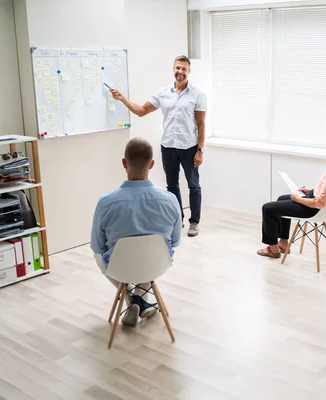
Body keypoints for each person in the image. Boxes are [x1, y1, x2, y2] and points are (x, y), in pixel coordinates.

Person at [110, 55, 207, 237]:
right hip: (168, 146)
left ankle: (194, 222)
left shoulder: (197, 96)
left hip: (189, 147)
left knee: (193, 185)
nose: (180, 72)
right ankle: (177, 219)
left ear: (189, 71)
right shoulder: (163, 94)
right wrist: (122, 98)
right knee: (172, 186)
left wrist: (200, 150)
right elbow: (141, 111)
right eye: (178, 68)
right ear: (173, 69)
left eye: (184, 69)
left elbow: (201, 124)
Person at [91, 137, 182, 326]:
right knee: (154, 251)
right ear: (152, 164)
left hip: (120, 267)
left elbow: (98, 246)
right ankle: (141, 298)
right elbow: (175, 241)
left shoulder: (106, 203)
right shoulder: (171, 200)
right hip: (156, 264)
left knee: (97, 254)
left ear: (124, 163)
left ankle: (131, 299)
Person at [257, 133, 326, 258]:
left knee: (267, 208)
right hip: (316, 202)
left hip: (313, 209)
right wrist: (310, 191)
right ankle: (283, 243)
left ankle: (273, 249)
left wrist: (299, 199)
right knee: (281, 199)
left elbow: (320, 202)